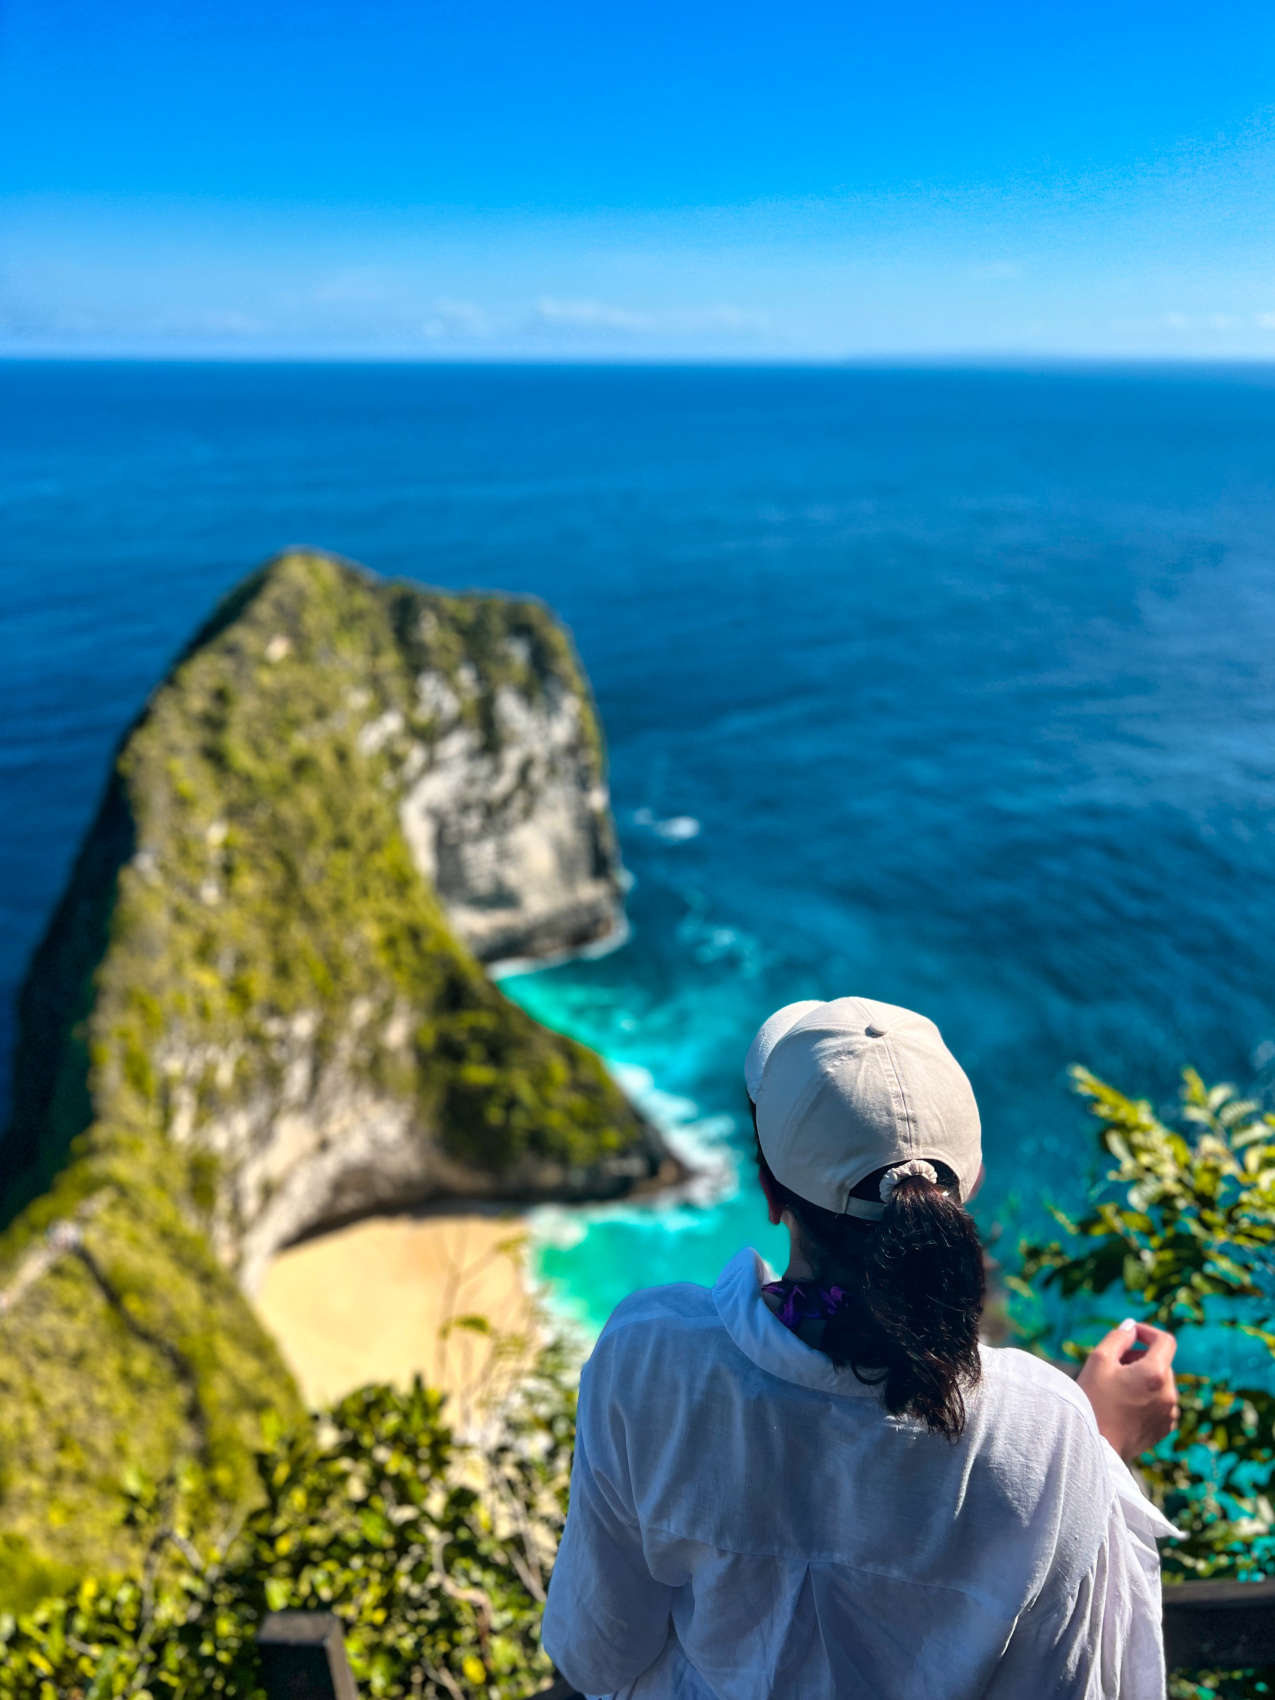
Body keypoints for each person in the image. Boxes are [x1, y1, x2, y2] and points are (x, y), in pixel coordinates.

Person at [541, 997, 1179, 1699]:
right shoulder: (1047, 1429)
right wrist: (1098, 1448)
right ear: (964, 1191)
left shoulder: (651, 1360)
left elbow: (596, 1653)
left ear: (769, 1193)